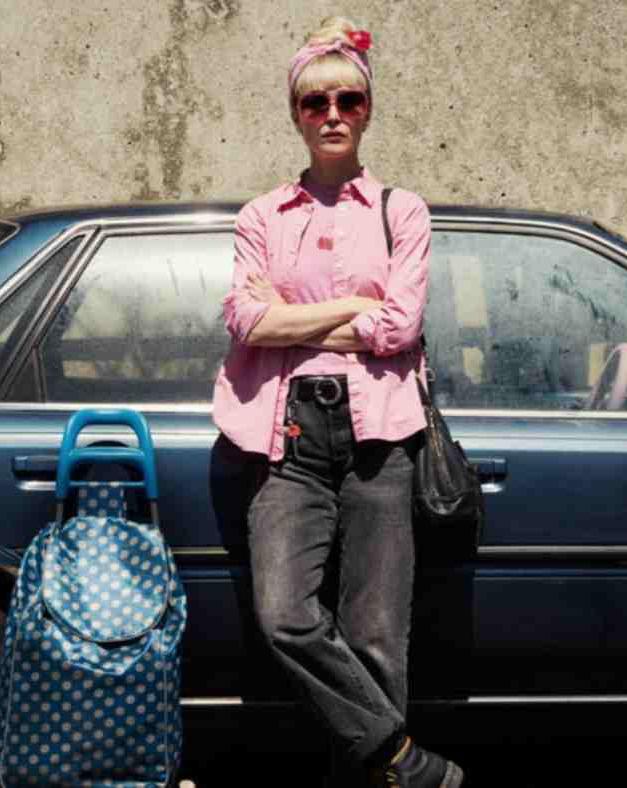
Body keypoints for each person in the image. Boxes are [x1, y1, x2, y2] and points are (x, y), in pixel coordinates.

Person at [212, 15, 464, 788]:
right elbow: (247, 320)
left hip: (380, 442)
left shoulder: (401, 211)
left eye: (348, 100)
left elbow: (401, 324)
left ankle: (372, 781)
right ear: (294, 113)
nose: (331, 115)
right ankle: (399, 760)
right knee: (285, 613)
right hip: (285, 440)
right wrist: (347, 307)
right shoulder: (262, 216)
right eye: (314, 101)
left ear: (367, 109)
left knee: (376, 635)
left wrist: (292, 317)